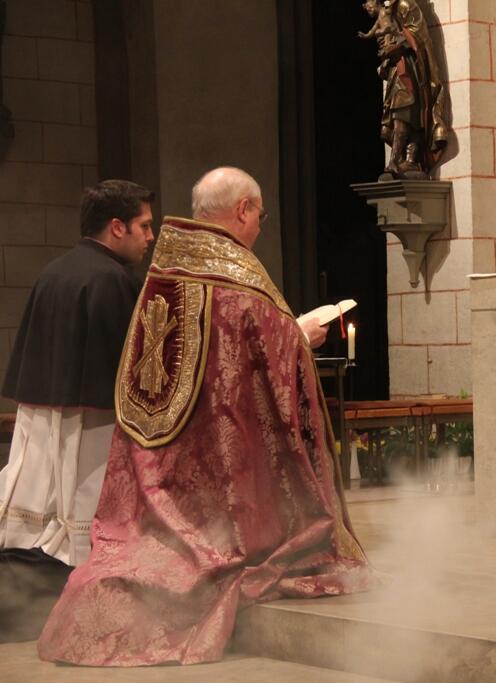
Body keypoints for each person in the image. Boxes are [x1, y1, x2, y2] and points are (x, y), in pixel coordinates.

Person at [36, 167, 373, 666]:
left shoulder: (164, 275)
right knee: (235, 548)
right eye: (259, 215)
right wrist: (299, 336)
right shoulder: (237, 278)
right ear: (242, 210)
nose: (258, 226)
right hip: (221, 478)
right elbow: (260, 366)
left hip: (166, 458)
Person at [0, 180, 155, 566]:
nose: (150, 237)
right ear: (117, 227)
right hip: (94, 419)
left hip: (45, 409)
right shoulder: (113, 278)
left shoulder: (53, 271)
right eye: (144, 226)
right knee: (83, 513)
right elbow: (127, 362)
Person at [365, 0, 449, 179]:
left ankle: (397, 160)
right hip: (398, 66)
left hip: (410, 68)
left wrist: (394, 46)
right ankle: (408, 159)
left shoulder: (405, 4)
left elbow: (417, 36)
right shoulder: (389, 9)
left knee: (404, 112)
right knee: (406, 114)